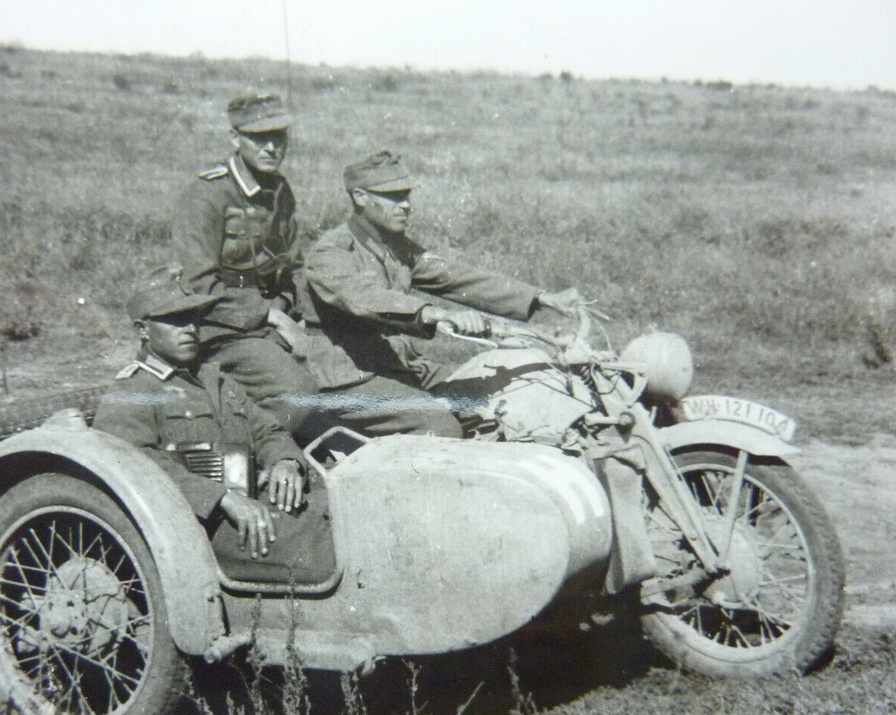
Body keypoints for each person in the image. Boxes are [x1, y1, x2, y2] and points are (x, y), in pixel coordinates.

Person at [299, 149, 583, 438]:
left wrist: (541, 297)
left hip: (391, 363)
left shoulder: (395, 247)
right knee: (441, 427)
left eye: (407, 195)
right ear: (360, 197)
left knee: (483, 404)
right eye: (394, 197)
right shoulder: (330, 252)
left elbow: (457, 277)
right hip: (345, 377)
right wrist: (437, 314)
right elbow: (365, 299)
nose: (406, 205)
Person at [90, 276, 333, 584]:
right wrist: (222, 498)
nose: (190, 329)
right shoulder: (132, 392)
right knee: (336, 551)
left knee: (351, 512)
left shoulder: (212, 378)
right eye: (175, 321)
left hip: (256, 507)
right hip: (206, 528)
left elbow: (267, 429)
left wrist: (285, 461)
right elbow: (134, 469)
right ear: (143, 331)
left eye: (192, 319)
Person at [173, 92, 328, 441]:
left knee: (342, 371)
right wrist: (271, 316)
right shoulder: (206, 195)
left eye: (279, 137)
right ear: (235, 139)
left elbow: (293, 266)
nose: (272, 147)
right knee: (298, 396)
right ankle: (242, 452)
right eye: (259, 138)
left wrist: (304, 314)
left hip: (272, 316)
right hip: (220, 326)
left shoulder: (279, 189)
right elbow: (200, 286)